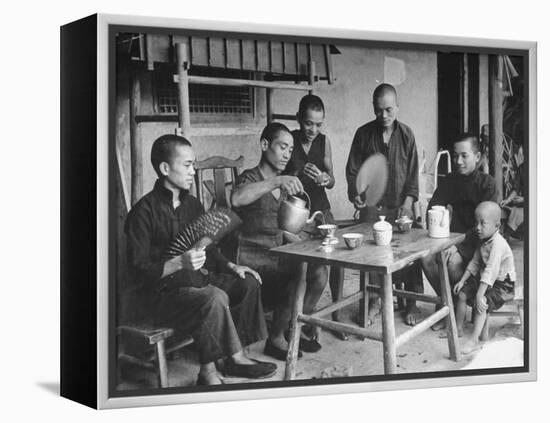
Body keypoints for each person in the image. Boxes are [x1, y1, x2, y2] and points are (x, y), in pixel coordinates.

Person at [125, 134, 276, 386]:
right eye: (187, 165)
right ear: (164, 168)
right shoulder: (142, 213)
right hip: (161, 294)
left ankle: (233, 355)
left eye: (193, 165)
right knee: (214, 297)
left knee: (248, 283)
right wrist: (177, 263)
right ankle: (209, 373)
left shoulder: (193, 204)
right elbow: (139, 273)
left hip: (196, 280)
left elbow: (210, 249)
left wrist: (232, 266)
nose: (193, 171)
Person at [232, 122, 323, 360]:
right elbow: (237, 199)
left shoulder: (284, 187)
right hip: (253, 258)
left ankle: (294, 328)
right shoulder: (250, 178)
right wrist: (276, 181)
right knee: (299, 271)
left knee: (320, 269)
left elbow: (284, 227)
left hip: (277, 254)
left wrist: (309, 234)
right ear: (264, 145)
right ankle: (275, 339)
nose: (287, 154)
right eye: (282, 147)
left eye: (290, 150)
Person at [345, 83, 423, 326]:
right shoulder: (363, 134)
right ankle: (374, 299)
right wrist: (355, 193)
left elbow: (412, 176)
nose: (384, 116)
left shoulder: (407, 134)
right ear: (373, 108)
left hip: (401, 206)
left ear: (397, 107)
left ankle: (411, 301)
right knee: (369, 252)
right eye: (379, 110)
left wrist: (409, 203)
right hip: (373, 207)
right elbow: (352, 171)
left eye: (389, 109)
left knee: (410, 251)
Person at [421, 133, 498, 330]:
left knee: (452, 262)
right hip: (453, 239)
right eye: (455, 156)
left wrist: (457, 244)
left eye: (464, 156)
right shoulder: (450, 180)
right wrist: (441, 225)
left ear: (477, 156)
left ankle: (453, 312)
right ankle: (448, 305)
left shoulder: (487, 184)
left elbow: (487, 226)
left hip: (481, 243)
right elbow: (434, 206)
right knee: (426, 259)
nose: (458, 161)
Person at [283, 94, 336, 347]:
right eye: (308, 123)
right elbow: (279, 177)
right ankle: (297, 322)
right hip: (297, 212)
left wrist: (325, 179)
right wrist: (297, 172)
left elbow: (332, 179)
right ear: (298, 120)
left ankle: (329, 313)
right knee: (308, 268)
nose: (313, 130)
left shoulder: (324, 142)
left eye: (318, 124)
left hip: (321, 209)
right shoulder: (288, 140)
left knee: (337, 257)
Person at [452, 201, 516, 354]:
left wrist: (480, 295)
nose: (478, 228)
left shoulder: (498, 245)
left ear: (496, 226)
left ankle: (474, 339)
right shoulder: (483, 240)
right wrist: (462, 281)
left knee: (483, 302)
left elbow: (491, 272)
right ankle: (458, 329)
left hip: (502, 285)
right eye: (476, 223)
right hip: (486, 280)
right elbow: (475, 262)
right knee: (461, 294)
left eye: (483, 223)